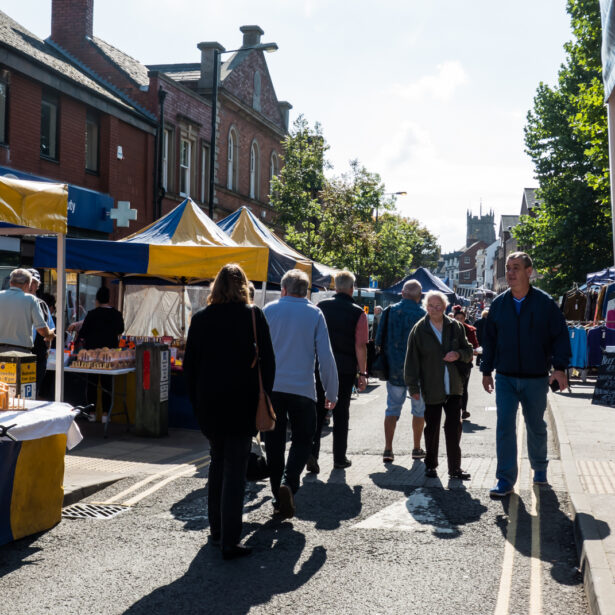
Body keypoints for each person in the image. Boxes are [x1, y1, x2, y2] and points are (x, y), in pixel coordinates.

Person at [184, 264, 275, 560]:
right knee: (235, 471)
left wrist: (197, 405)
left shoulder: (200, 319)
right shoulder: (252, 316)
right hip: (243, 403)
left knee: (217, 465)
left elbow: (190, 369)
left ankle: (216, 531)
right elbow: (268, 363)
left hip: (210, 405)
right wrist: (264, 397)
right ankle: (230, 541)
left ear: (215, 287)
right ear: (243, 286)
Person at [481, 252, 571, 497]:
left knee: (535, 425)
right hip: (506, 378)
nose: (510, 273)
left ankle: (539, 468)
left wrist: (560, 368)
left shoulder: (545, 303)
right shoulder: (499, 305)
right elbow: (489, 341)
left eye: (516, 268)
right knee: (504, 427)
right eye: (508, 268)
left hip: (536, 378)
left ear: (529, 272)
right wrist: (486, 370)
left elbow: (560, 337)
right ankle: (505, 479)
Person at [263, 269, 338, 519]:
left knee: (273, 444)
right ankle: (289, 483)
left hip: (272, 389)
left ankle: (277, 496)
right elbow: (325, 357)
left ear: (283, 289)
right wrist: (332, 391)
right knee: (303, 439)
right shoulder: (315, 313)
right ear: (306, 291)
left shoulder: (268, 311)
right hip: (303, 390)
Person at [405, 290, 473, 480]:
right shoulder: (419, 329)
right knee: (432, 428)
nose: (435, 309)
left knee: (453, 428)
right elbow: (411, 361)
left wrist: (458, 354)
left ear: (445, 307)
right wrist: (413, 388)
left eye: (438, 306)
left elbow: (468, 350)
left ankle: (455, 468)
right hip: (431, 386)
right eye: (431, 306)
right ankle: (431, 465)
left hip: (454, 387)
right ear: (426, 307)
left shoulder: (455, 327)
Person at [307, 271, 368, 474]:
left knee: (317, 411)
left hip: (319, 367)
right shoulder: (357, 312)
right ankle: (339, 458)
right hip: (344, 368)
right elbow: (360, 346)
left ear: (335, 288)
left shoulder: (320, 308)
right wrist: (363, 373)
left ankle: (312, 454)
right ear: (352, 289)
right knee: (342, 413)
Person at [375, 280, 427, 463]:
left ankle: (388, 449)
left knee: (392, 408)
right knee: (419, 411)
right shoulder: (424, 315)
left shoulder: (389, 311)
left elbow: (378, 340)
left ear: (403, 293)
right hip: (418, 372)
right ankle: (416, 447)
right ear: (419, 296)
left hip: (394, 369)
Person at [77, 287, 125, 423]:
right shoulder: (116, 314)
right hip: (110, 355)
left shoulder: (92, 314)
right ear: (109, 299)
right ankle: (105, 414)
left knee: (92, 383)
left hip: (91, 355)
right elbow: (121, 329)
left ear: (97, 300)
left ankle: (91, 413)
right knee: (106, 384)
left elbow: (83, 333)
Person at [0, 268, 54, 354]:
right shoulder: (31, 299)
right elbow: (41, 329)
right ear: (26, 285)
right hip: (20, 352)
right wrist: (50, 334)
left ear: (10, 283)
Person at [27, 269, 54, 398]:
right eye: (30, 282)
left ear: (38, 286)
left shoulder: (42, 305)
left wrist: (48, 345)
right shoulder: (17, 302)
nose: (32, 286)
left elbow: (51, 328)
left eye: (35, 283)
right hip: (19, 352)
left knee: (34, 390)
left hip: (38, 354)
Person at [452, 305, 479, 420]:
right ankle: (453, 411)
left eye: (461, 318)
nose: (459, 320)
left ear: (464, 318)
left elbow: (475, 345)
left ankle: (463, 410)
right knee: (452, 388)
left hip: (465, 363)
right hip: (451, 363)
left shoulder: (469, 330)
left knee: (464, 387)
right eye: (457, 318)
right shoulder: (449, 329)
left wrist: (474, 351)